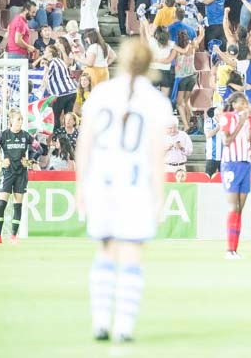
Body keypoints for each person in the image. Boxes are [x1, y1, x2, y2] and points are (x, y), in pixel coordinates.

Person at [75, 39, 171, 343]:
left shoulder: (102, 92)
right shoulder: (156, 102)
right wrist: (159, 197)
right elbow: (157, 157)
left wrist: (80, 186)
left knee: (105, 251)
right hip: (135, 185)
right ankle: (124, 327)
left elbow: (84, 144)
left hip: (102, 182)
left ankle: (100, 323)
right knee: (131, 254)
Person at [218, 91, 251, 259]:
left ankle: (234, 249)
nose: (245, 106)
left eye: (246, 103)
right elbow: (226, 141)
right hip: (231, 164)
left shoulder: (250, 121)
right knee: (233, 207)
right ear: (234, 104)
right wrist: (241, 123)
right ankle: (229, 250)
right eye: (241, 103)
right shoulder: (227, 117)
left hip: (245, 164)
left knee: (240, 209)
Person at [0, 110, 37, 245]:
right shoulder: (3, 135)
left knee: (17, 205)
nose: (20, 122)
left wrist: (30, 161)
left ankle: (13, 236)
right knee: (1, 204)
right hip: (7, 173)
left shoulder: (26, 136)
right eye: (18, 119)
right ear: (11, 121)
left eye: (21, 119)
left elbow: (40, 149)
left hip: (21, 174)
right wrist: (0, 161)